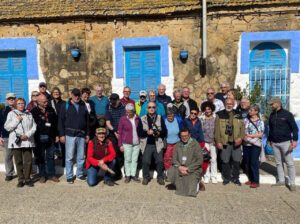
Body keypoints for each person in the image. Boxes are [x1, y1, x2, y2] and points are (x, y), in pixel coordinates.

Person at [58, 88, 89, 184]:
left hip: (81, 134)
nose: (77, 97)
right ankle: (69, 176)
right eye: (75, 95)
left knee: (81, 157)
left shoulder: (83, 105)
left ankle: (79, 174)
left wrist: (87, 134)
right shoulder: (65, 105)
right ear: (71, 95)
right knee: (69, 157)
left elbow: (87, 121)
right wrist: (61, 135)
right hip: (70, 135)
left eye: (78, 95)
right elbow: (60, 121)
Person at [4, 98, 37, 187]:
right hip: (16, 142)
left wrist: (27, 135)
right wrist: (16, 120)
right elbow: (7, 127)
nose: (21, 105)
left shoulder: (29, 114)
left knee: (28, 161)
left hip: (27, 140)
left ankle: (27, 179)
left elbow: (34, 126)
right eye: (19, 103)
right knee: (18, 161)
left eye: (23, 103)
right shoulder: (11, 114)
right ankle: (21, 179)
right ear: (15, 104)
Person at [268, 97, 298, 191]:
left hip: (286, 143)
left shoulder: (287, 114)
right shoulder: (272, 115)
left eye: (272, 104)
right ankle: (281, 180)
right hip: (275, 143)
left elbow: (295, 128)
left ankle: (292, 183)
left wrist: (295, 140)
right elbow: (271, 129)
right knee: (278, 162)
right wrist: (269, 140)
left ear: (278, 103)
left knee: (289, 163)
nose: (271, 106)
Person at [215, 98, 245, 186]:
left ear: (233, 104)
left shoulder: (238, 114)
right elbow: (216, 129)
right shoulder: (219, 114)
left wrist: (241, 138)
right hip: (225, 142)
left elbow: (243, 128)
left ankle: (236, 178)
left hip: (236, 142)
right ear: (224, 104)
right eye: (227, 103)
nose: (229, 105)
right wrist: (218, 141)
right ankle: (226, 178)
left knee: (236, 161)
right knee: (225, 161)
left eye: (231, 104)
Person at [137, 101, 167, 185]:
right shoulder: (142, 118)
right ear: (147, 109)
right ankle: (146, 177)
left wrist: (159, 133)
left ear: (156, 108)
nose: (151, 109)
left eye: (153, 107)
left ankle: (160, 177)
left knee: (160, 161)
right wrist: (147, 132)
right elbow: (139, 132)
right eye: (150, 107)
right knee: (145, 161)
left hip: (158, 143)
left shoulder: (160, 118)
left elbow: (165, 131)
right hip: (147, 144)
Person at [166, 128, 203, 197]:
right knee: (170, 171)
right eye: (182, 136)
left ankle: (197, 183)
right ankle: (177, 184)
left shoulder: (195, 144)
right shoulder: (177, 145)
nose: (184, 138)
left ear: (189, 135)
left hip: (193, 168)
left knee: (190, 192)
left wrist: (188, 169)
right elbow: (174, 159)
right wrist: (180, 167)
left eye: (186, 136)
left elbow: (200, 160)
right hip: (180, 167)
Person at [31, 94, 59, 183]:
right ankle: (42, 175)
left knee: (50, 156)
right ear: (38, 102)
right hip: (39, 138)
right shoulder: (34, 111)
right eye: (44, 102)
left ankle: (52, 174)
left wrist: (57, 135)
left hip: (50, 137)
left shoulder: (51, 109)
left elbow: (55, 123)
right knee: (41, 157)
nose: (46, 103)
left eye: (47, 101)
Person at [183, 107, 206, 191]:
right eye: (191, 113)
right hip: (187, 143)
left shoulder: (199, 122)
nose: (192, 115)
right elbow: (183, 131)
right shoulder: (186, 121)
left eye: (195, 114)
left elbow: (200, 132)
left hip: (196, 144)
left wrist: (202, 143)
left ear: (197, 114)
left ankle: (198, 181)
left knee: (197, 163)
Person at [118, 103, 141, 183]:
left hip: (137, 143)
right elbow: (120, 132)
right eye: (126, 112)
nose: (128, 113)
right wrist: (120, 144)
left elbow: (140, 130)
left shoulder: (138, 118)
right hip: (126, 143)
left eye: (129, 112)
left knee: (134, 160)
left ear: (133, 111)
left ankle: (133, 175)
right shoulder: (123, 119)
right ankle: (127, 175)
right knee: (127, 159)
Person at [243, 104, 264, 188]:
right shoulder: (246, 120)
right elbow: (242, 129)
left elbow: (261, 134)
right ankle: (251, 179)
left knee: (253, 162)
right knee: (247, 162)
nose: (249, 111)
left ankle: (256, 181)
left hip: (255, 144)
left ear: (256, 112)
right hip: (246, 144)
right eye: (249, 110)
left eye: (251, 110)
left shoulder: (260, 122)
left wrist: (250, 136)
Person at [105, 93, 126, 179]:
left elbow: (125, 120)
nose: (112, 102)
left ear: (118, 100)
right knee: (114, 153)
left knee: (122, 153)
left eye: (114, 100)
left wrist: (121, 133)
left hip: (123, 133)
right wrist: (114, 131)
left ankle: (123, 171)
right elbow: (108, 123)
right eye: (111, 100)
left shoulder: (124, 107)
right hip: (113, 134)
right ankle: (117, 173)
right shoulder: (108, 107)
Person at [200, 101, 218, 184]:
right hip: (205, 142)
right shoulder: (201, 119)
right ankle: (206, 175)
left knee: (213, 159)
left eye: (209, 109)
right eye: (206, 109)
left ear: (212, 109)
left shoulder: (215, 118)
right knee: (206, 159)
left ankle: (214, 176)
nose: (207, 111)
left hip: (213, 142)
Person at [0, 93, 16, 181]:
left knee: (19, 156)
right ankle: (9, 173)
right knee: (7, 156)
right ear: (7, 100)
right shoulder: (3, 111)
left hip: (18, 136)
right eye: (9, 99)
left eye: (13, 98)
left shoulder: (20, 109)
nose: (11, 100)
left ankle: (22, 173)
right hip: (6, 136)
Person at [50, 87, 66, 166]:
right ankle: (53, 163)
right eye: (54, 92)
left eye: (57, 92)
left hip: (62, 126)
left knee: (63, 145)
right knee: (53, 146)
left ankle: (64, 162)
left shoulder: (64, 103)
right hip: (53, 127)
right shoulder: (50, 103)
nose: (56, 93)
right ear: (52, 94)